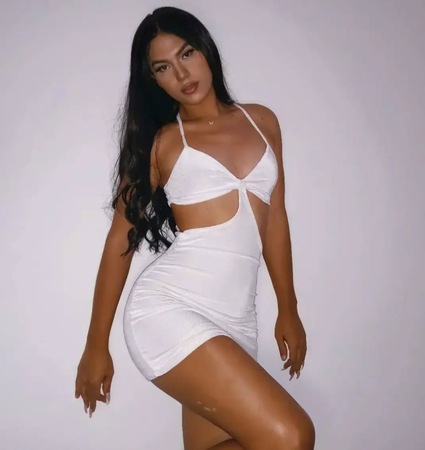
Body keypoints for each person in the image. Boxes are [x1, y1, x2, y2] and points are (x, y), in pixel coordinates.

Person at [75, 6, 315, 450]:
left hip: (238, 319)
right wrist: (95, 345)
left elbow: (275, 220)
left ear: (206, 50)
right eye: (163, 67)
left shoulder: (262, 121)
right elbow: (119, 240)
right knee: (292, 435)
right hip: (171, 309)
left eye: (186, 54)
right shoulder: (162, 142)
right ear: (153, 79)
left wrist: (289, 307)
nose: (181, 74)